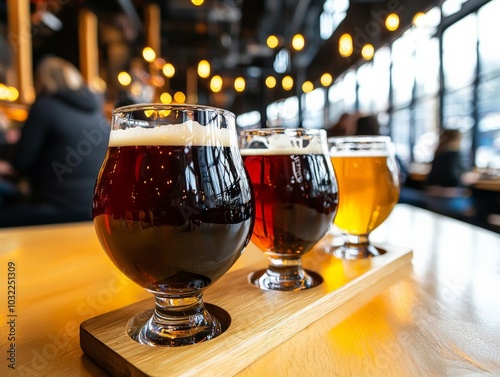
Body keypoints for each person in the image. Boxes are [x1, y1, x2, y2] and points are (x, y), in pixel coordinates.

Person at [0, 56, 110, 227]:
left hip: (57, 210)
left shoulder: (45, 107)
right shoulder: (97, 112)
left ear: (43, 79)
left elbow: (21, 164)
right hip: (95, 210)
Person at [424, 129, 475, 218]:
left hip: (432, 200)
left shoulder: (438, 153)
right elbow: (452, 178)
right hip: (447, 200)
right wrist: (465, 181)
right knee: (485, 203)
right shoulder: (454, 153)